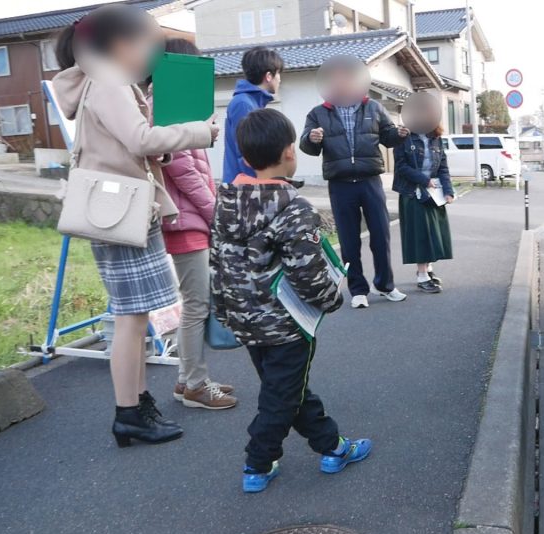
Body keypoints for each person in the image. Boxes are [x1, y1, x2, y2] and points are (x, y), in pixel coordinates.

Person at [52, 4, 219, 446]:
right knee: (130, 318)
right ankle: (129, 411)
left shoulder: (102, 81)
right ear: (122, 45)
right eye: (150, 45)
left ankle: (139, 404)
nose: (155, 55)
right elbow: (139, 139)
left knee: (135, 315)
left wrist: (161, 149)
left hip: (121, 210)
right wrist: (200, 131)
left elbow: (130, 147)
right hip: (121, 213)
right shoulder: (109, 82)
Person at [211, 108, 372, 493]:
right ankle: (258, 462)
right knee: (281, 397)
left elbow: (217, 262)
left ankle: (332, 445)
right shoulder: (293, 208)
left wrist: (225, 310)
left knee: (287, 389)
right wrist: (333, 298)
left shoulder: (227, 202)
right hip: (287, 324)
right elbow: (308, 271)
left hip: (245, 320)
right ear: (290, 153)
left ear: (245, 158)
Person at [151, 38, 236, 410]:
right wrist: (215, 213)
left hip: (189, 220)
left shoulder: (173, 104)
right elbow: (184, 171)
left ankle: (187, 381)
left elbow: (196, 170)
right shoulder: (169, 106)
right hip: (186, 223)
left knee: (195, 304)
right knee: (197, 306)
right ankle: (196, 386)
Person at [299, 55, 410, 309]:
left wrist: (400, 134)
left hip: (370, 180)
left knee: (381, 235)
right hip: (340, 184)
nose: (342, 84)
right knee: (349, 240)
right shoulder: (318, 113)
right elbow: (306, 145)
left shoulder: (373, 108)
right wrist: (312, 138)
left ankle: (386, 285)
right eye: (336, 80)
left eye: (346, 79)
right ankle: (358, 290)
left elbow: (388, 137)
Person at [392, 92, 455, 293]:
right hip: (413, 193)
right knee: (421, 235)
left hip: (434, 193)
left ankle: (428, 269)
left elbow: (443, 167)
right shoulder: (403, 137)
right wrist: (424, 180)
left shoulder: (436, 138)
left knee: (435, 234)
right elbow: (401, 167)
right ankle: (421, 275)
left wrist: (448, 191)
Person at [222, 46, 284, 183]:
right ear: (268, 76)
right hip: (245, 187)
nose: (279, 79)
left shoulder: (252, 102)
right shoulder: (244, 104)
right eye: (278, 73)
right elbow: (245, 153)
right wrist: (260, 184)